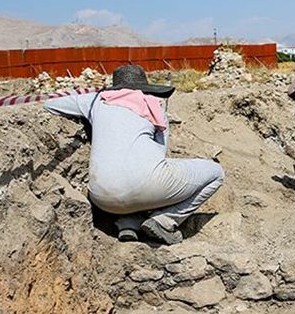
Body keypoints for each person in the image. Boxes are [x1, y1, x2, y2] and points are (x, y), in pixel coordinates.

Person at [44, 64, 225, 245]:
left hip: (101, 198)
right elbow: (159, 153)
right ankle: (165, 221)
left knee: (128, 174)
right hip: (146, 187)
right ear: (144, 87)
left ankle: (128, 223)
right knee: (215, 173)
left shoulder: (95, 101)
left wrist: (89, 97)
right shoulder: (153, 105)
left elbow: (49, 103)